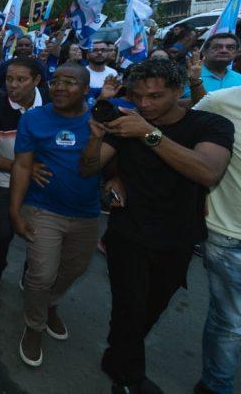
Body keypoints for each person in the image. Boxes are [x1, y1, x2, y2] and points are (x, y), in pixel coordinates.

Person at [78, 58, 234, 393]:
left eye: (155, 96)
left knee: (150, 310)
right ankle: (129, 380)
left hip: (179, 238)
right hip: (129, 235)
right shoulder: (127, 123)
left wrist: (148, 134)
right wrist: (94, 139)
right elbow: (88, 169)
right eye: (137, 96)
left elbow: (207, 171)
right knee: (130, 309)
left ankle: (116, 356)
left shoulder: (209, 125)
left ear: (179, 91)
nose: (144, 104)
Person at [9, 62, 102, 368]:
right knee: (41, 275)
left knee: (74, 269)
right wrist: (15, 211)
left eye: (70, 82)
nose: (60, 87)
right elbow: (22, 165)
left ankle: (50, 304)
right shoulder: (34, 118)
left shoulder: (99, 120)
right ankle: (34, 326)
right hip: (43, 209)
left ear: (86, 89)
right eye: (56, 81)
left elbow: (111, 164)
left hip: (87, 214)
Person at [0, 57, 45, 300]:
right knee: (2, 233)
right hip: (4, 182)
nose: (13, 85)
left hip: (42, 185)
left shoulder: (51, 106)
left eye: (21, 79)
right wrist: (23, 169)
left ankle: (30, 272)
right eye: (9, 79)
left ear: (36, 80)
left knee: (40, 236)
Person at [192, 86, 241, 394]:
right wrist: (197, 194)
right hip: (229, 235)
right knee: (231, 321)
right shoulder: (221, 102)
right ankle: (215, 386)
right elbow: (180, 135)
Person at [185, 33, 241, 104]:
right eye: (216, 47)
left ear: (236, 53)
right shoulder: (186, 76)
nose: (224, 50)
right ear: (204, 52)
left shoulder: (239, 78)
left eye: (230, 48)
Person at [86, 41, 119, 107]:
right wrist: (101, 97)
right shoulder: (82, 73)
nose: (99, 53)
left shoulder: (113, 72)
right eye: (95, 50)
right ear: (87, 55)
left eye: (103, 50)